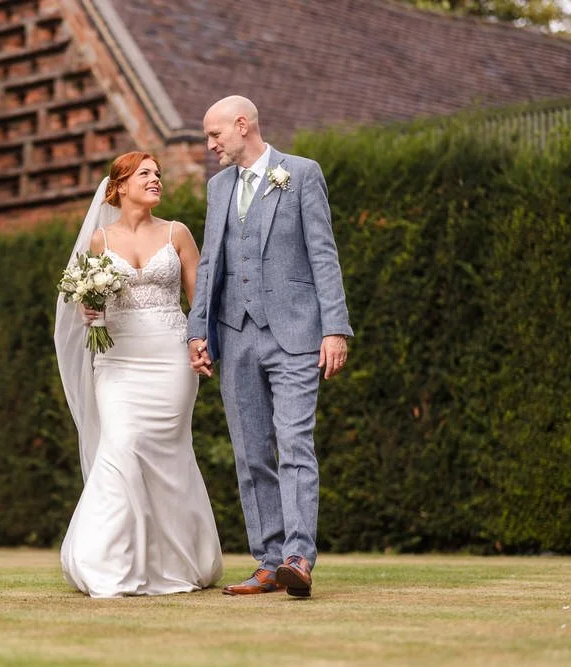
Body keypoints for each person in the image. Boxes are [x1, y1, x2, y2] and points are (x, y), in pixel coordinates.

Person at [187, 96, 352, 598]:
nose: (211, 145)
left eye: (215, 135)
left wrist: (335, 328)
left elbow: (323, 253)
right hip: (234, 335)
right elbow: (211, 262)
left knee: (295, 443)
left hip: (297, 334)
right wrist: (198, 330)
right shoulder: (217, 188)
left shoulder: (301, 173)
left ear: (243, 125)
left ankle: (299, 558)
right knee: (250, 452)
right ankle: (268, 561)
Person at [54, 151, 223, 598]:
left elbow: (199, 301)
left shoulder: (177, 233)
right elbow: (91, 304)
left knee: (167, 455)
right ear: (120, 185)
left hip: (169, 358)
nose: (155, 180)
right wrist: (90, 307)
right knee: (121, 445)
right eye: (145, 174)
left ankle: (178, 560)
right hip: (118, 361)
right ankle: (104, 561)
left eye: (158, 174)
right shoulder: (99, 242)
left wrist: (201, 344)